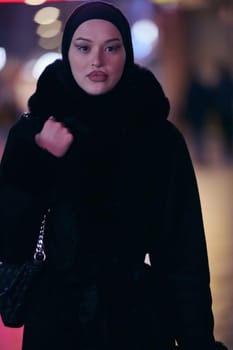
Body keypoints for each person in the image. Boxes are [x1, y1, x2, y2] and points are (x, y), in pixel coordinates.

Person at [0, 2, 228, 350]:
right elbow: (10, 239)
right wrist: (42, 161)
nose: (97, 61)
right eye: (83, 47)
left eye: (111, 47)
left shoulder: (158, 139)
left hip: (137, 323)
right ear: (67, 52)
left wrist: (197, 339)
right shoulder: (34, 133)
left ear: (126, 52)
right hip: (55, 324)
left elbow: (184, 256)